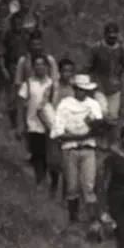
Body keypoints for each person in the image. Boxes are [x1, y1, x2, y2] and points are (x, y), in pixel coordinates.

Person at [50, 73, 104, 225]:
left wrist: (92, 129)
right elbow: (58, 132)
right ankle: (73, 218)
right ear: (74, 89)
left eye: (85, 90)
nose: (82, 93)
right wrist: (80, 135)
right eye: (80, 89)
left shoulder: (93, 105)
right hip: (70, 149)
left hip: (88, 149)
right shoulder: (65, 104)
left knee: (89, 185)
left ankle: (93, 220)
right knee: (72, 185)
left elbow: (98, 128)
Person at [87, 21, 124, 139]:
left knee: (112, 118)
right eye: (110, 36)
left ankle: (107, 140)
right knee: (101, 113)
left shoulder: (121, 49)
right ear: (105, 35)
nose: (112, 39)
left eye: (114, 36)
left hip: (115, 87)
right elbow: (89, 67)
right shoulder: (97, 48)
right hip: (100, 85)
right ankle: (97, 137)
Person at [17, 54, 54, 185]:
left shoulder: (52, 84)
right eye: (37, 65)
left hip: (48, 125)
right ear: (33, 67)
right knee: (37, 154)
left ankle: (46, 181)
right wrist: (20, 124)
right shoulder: (28, 84)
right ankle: (40, 180)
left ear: (47, 67)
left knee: (47, 154)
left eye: (42, 64)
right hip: (33, 124)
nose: (40, 67)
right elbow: (21, 105)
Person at [47, 57, 75, 199]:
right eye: (64, 71)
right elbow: (47, 104)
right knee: (53, 160)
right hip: (55, 125)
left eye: (70, 71)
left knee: (67, 163)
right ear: (60, 71)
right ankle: (53, 183)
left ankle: (65, 194)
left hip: (70, 128)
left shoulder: (74, 88)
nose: (67, 74)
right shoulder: (54, 87)